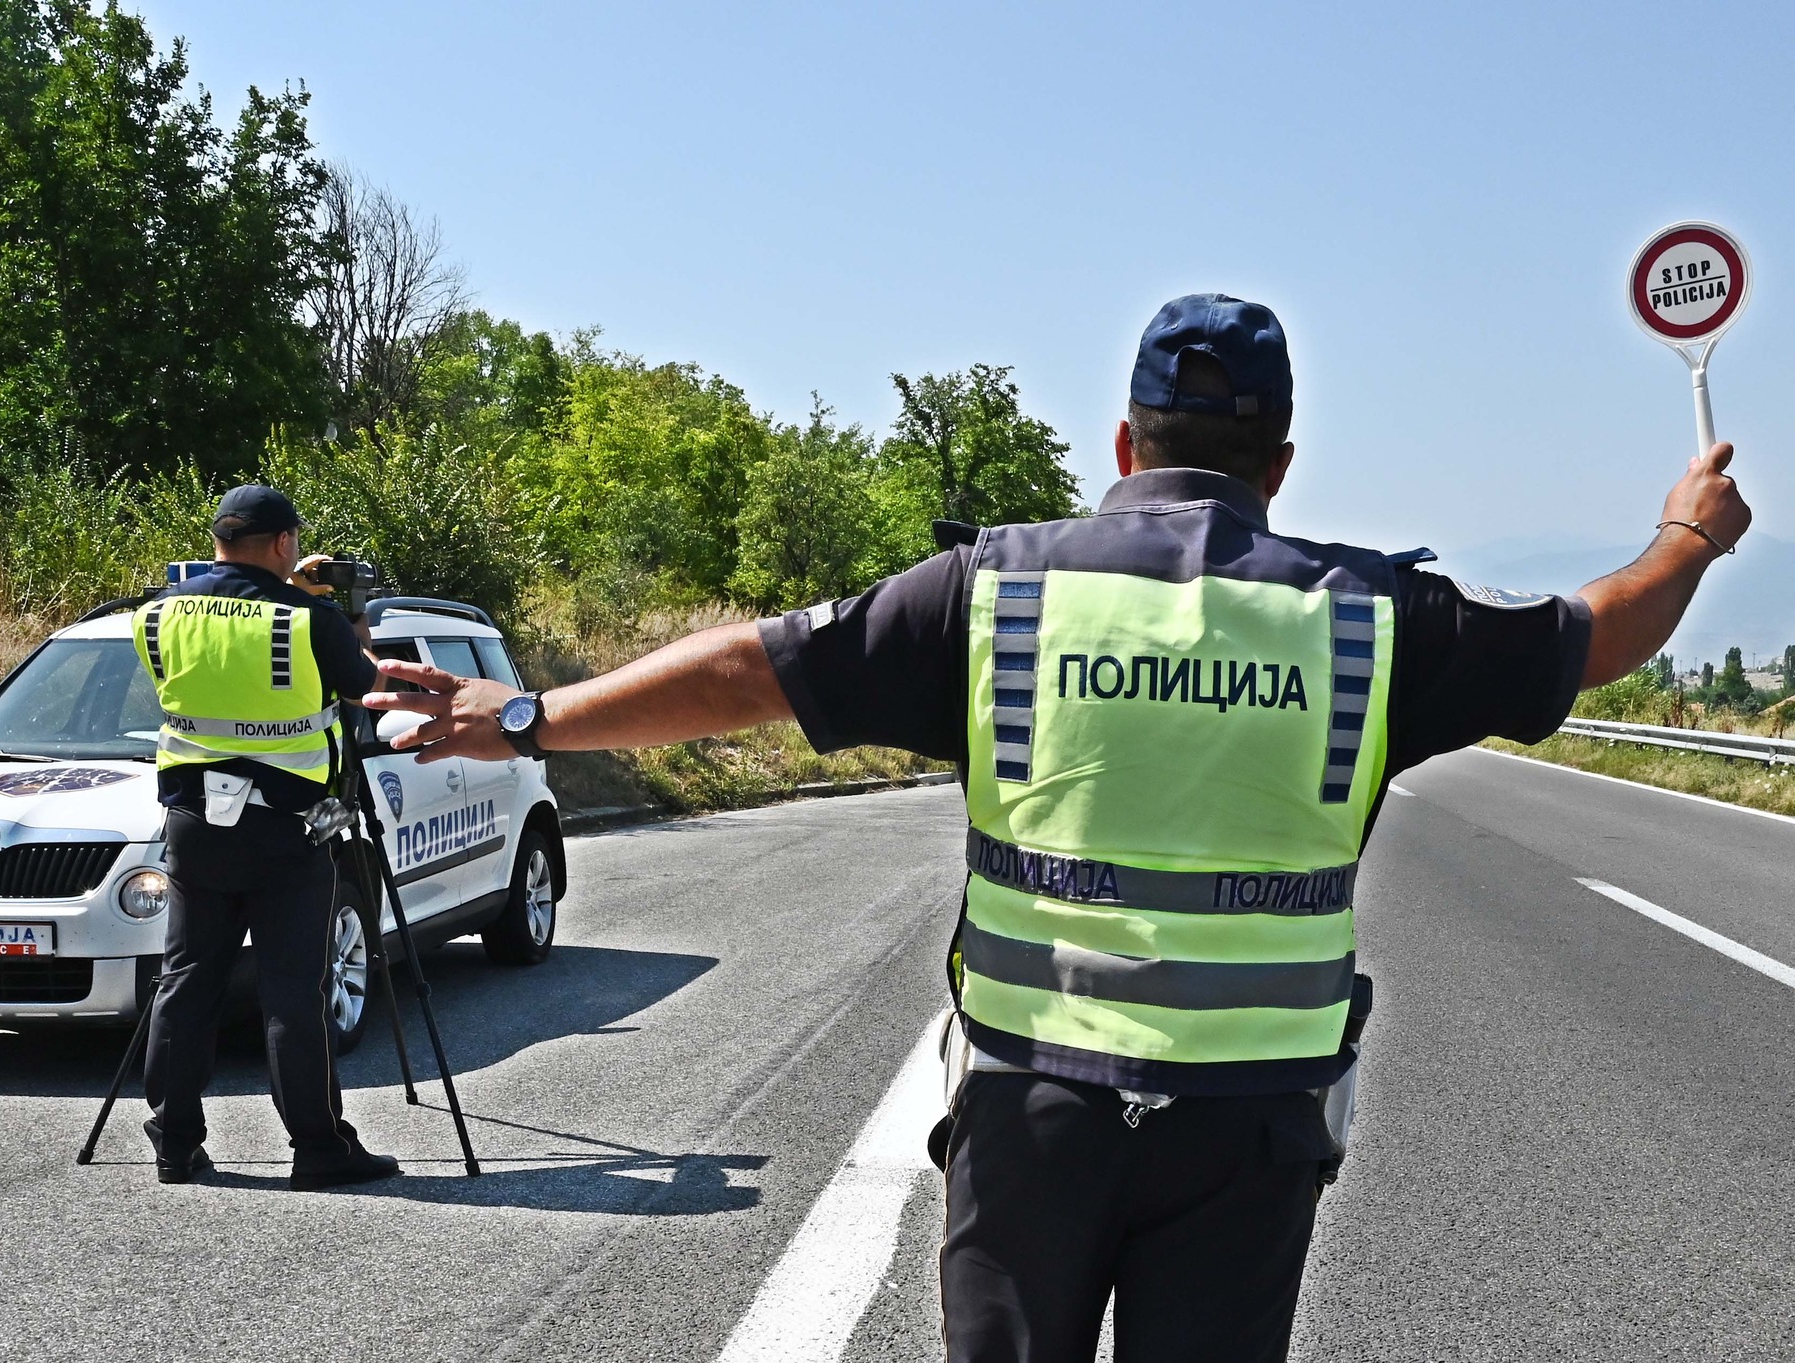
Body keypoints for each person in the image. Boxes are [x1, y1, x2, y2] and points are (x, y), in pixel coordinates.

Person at [362, 295, 1750, 1360]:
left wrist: (530, 716)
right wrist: (1688, 531)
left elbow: (751, 670)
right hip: (1247, 1129)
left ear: (1125, 447)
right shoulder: (1369, 617)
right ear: (1278, 459)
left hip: (1034, 1116)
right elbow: (1590, 636)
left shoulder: (1000, 592)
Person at [132, 484, 400, 1191]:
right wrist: (345, 609)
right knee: (291, 990)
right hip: (287, 828)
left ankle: (174, 1143)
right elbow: (365, 690)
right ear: (285, 543)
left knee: (187, 981)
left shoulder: (159, 615)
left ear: (217, 537)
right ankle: (317, 1147)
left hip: (194, 825)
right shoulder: (307, 618)